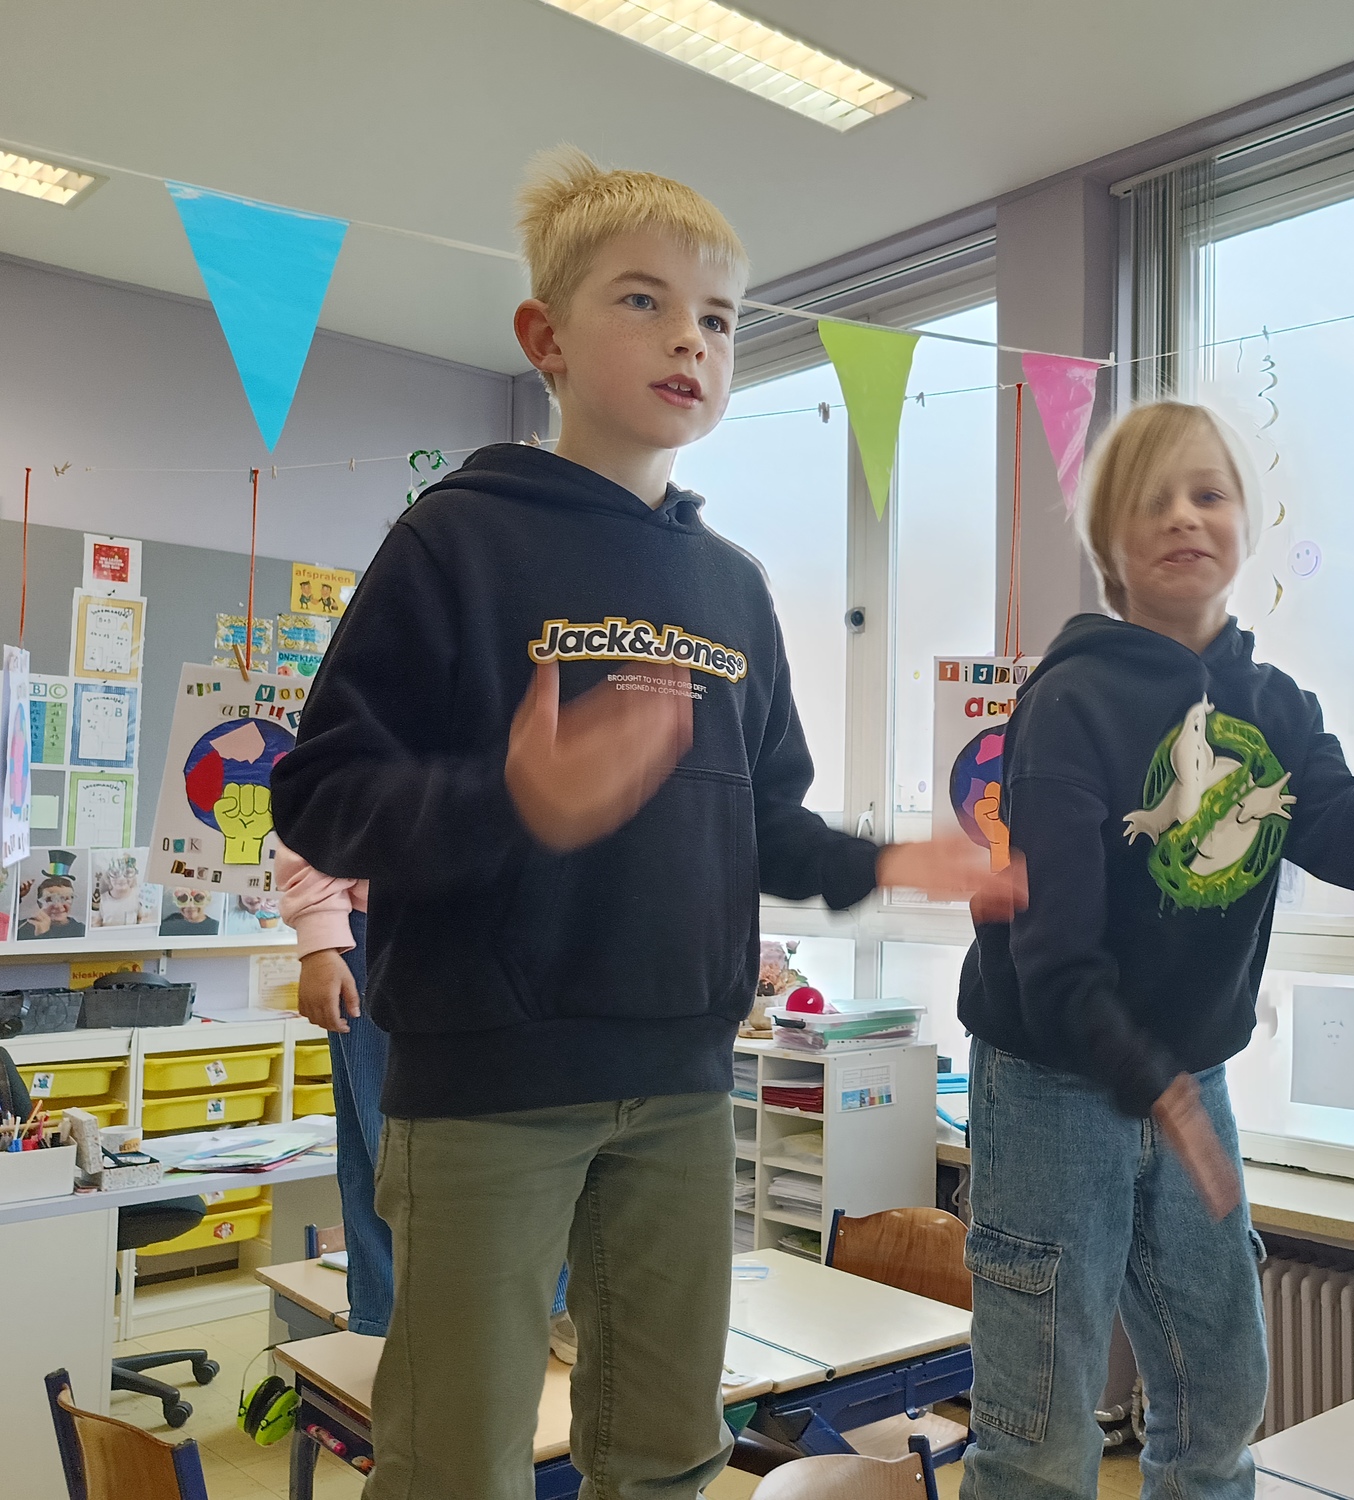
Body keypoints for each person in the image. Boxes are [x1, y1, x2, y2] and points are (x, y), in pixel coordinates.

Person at [271, 148, 1016, 1500]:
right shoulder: (453, 542)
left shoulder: (732, 587)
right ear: (544, 338)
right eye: (643, 301)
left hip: (680, 1080)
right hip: (488, 1082)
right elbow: (321, 798)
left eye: (718, 319)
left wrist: (894, 860)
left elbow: (767, 824)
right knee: (456, 1465)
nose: (691, 340)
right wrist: (513, 799)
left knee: (668, 1454)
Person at [957, 400, 1354, 1500]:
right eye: (1154, 500)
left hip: (1190, 1076)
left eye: (1209, 494)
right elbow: (1053, 956)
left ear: (1246, 523)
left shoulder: (1275, 706)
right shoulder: (1070, 699)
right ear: (1109, 542)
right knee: (1039, 1426)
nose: (1184, 517)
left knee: (1219, 1394)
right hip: (1053, 1079)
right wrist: (1154, 1087)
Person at [280, 850, 578, 1354]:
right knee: (392, 1144)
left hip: (522, 920)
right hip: (386, 923)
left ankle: (544, 1301)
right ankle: (411, 1320)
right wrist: (320, 940)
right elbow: (315, 821)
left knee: (536, 1128)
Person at [21, 861, 86, 939]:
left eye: (65, 899)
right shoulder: (24, 928)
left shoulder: (81, 930)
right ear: (39, 903)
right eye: (50, 899)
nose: (58, 906)